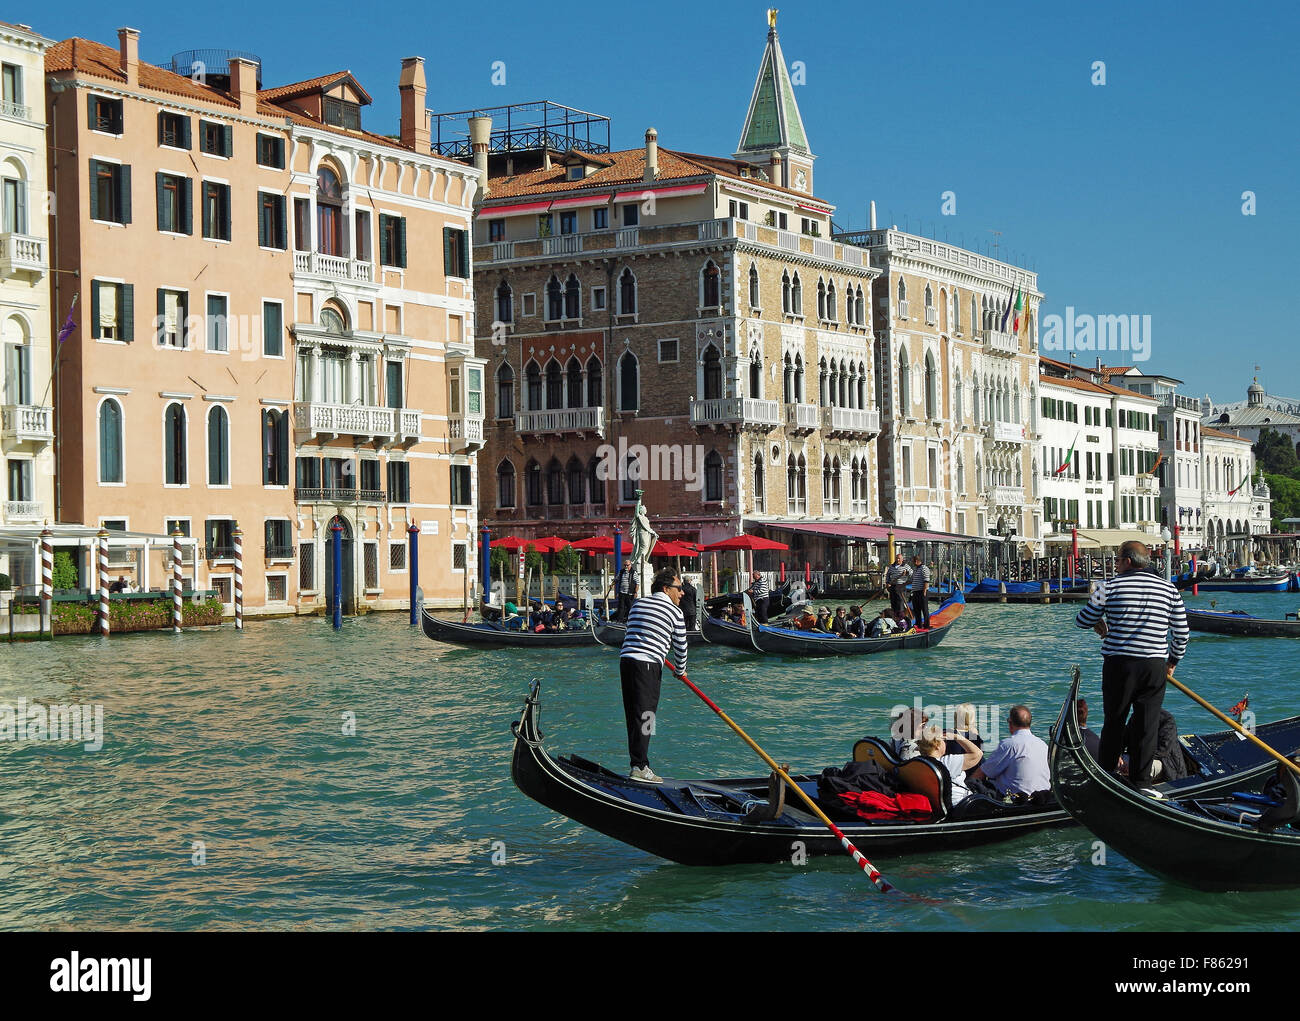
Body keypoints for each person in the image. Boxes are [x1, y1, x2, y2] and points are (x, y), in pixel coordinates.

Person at [1075, 539, 1189, 792]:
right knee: (1146, 725)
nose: (1115, 565)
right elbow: (1182, 633)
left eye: (1116, 560)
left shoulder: (1109, 586)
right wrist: (1173, 660)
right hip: (1154, 666)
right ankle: (1141, 782)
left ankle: (1105, 775)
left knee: (1114, 721)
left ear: (1127, 561)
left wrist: (1098, 624)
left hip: (1120, 664)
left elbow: (1082, 620)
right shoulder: (1169, 589)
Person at [618, 569, 689, 785]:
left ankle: (637, 763)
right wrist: (680, 670)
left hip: (626, 661)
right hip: (648, 665)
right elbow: (681, 645)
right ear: (666, 589)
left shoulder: (639, 603)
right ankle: (641, 766)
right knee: (647, 716)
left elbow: (634, 629)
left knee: (634, 714)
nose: (683, 593)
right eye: (679, 588)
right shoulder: (674, 612)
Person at [971, 705, 1050, 796]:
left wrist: (967, 783)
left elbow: (983, 773)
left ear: (1010, 723)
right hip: (1043, 796)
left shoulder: (1009, 745)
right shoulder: (1043, 745)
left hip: (1018, 799)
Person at [918, 726, 982, 805]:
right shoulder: (947, 762)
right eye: (943, 741)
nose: (945, 743)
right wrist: (957, 737)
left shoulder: (919, 763)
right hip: (961, 804)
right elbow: (978, 754)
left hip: (936, 805)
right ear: (937, 746)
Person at [909, 556, 931, 629]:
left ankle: (926, 625)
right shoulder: (915, 569)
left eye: (913, 561)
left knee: (924, 609)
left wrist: (924, 591)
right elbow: (912, 580)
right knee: (916, 610)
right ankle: (918, 624)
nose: (913, 563)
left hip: (922, 592)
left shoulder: (924, 568)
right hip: (915, 592)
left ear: (916, 561)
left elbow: (926, 580)